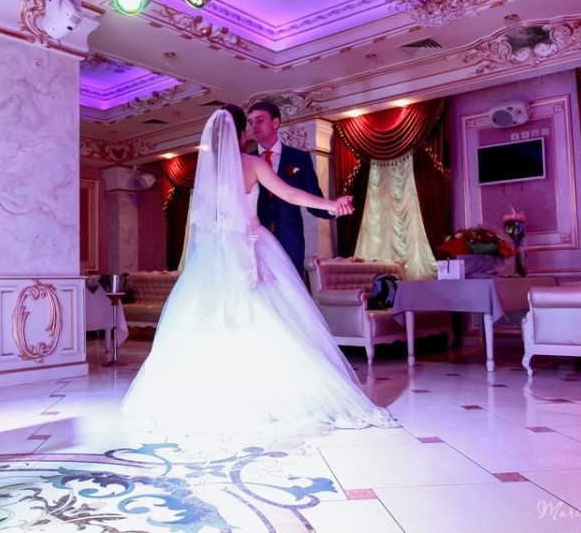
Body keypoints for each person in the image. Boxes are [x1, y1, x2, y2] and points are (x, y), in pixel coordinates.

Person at [120, 106, 396, 438]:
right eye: (246, 127)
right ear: (239, 134)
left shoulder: (205, 174)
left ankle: (206, 396)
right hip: (251, 247)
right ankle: (274, 393)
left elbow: (204, 223)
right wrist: (331, 204)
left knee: (212, 320)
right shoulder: (251, 164)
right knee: (271, 317)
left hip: (212, 259)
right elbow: (290, 194)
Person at [247, 101, 332, 278]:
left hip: (290, 239)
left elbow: (312, 197)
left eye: (260, 120)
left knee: (291, 287)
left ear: (275, 122)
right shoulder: (246, 161)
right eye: (250, 122)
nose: (254, 126)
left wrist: (334, 208)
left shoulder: (299, 158)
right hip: (255, 240)